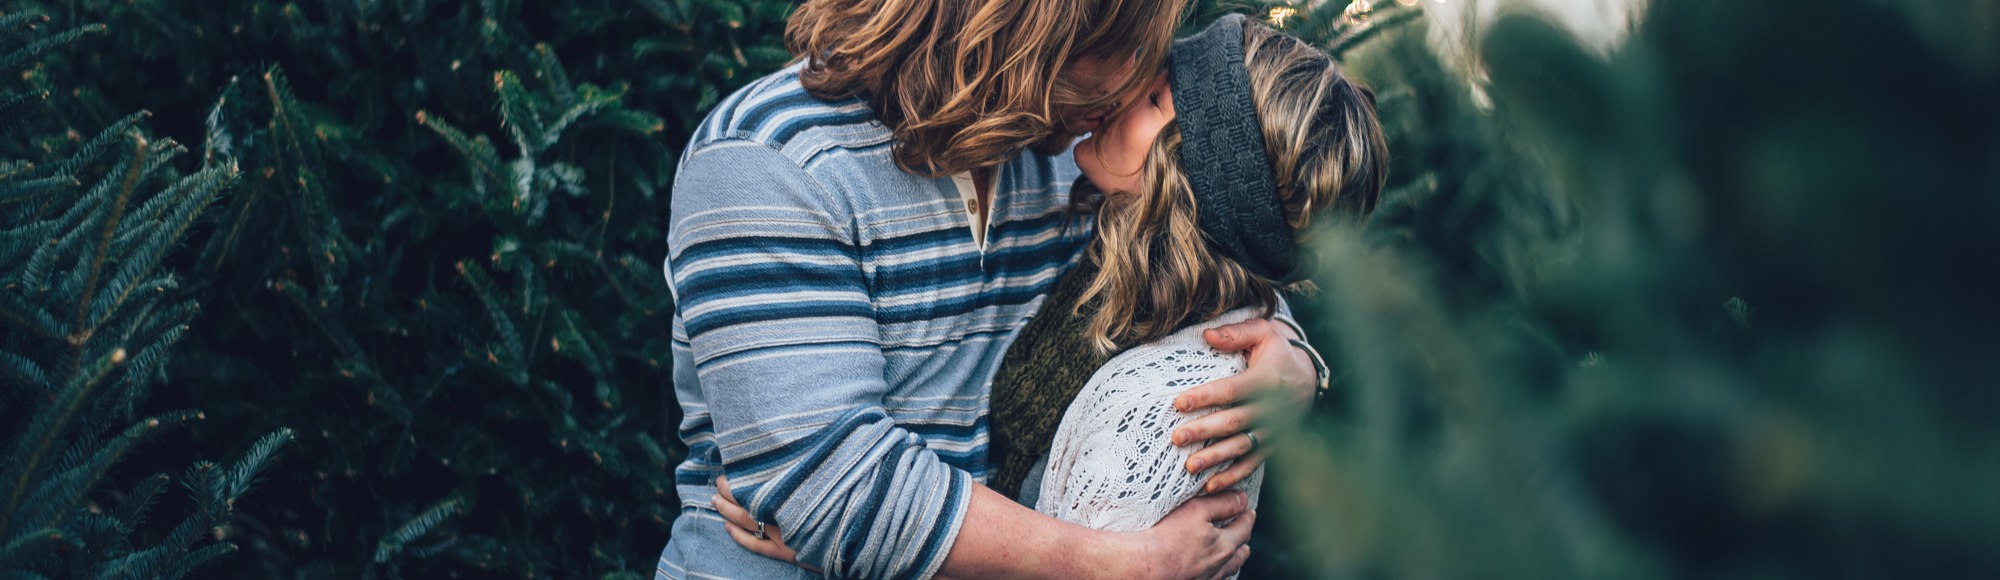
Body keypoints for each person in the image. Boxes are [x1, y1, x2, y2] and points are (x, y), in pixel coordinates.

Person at [657, 1, 1330, 578]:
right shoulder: (768, 162)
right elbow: (835, 492)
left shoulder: (1063, 159)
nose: (1129, 83)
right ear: (1029, 29)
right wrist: (1124, 564)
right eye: (1117, 50)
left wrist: (1288, 356)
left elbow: (1208, 238)